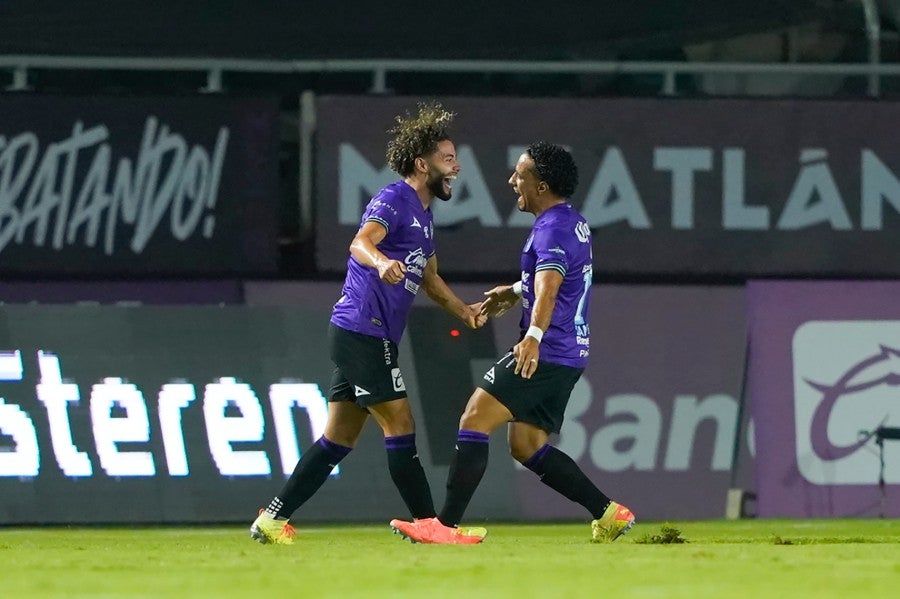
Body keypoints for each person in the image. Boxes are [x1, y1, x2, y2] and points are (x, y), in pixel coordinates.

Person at [251, 102, 487, 545]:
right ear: (423, 163)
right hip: (364, 327)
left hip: (363, 333)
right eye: (448, 158)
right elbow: (359, 243)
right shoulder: (394, 198)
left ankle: (271, 518)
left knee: (337, 439)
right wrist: (380, 262)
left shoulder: (425, 215)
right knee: (400, 423)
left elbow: (430, 278)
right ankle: (429, 525)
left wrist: (465, 311)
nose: (456, 167)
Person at [389, 142, 635, 544]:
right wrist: (517, 290)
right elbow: (555, 277)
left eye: (519, 175)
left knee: (473, 418)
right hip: (571, 353)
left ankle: (443, 526)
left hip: (549, 349)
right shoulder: (571, 221)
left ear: (540, 185)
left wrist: (533, 338)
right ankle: (609, 513)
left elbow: (551, 286)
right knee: (526, 445)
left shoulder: (551, 228)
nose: (511, 181)